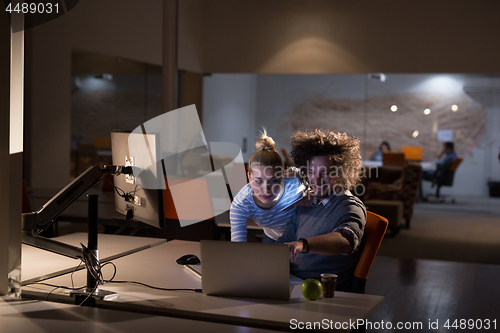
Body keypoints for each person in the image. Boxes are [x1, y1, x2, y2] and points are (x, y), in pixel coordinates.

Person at [277, 129, 366, 292]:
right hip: (289, 282)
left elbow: (346, 241)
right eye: (311, 171)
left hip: (322, 293)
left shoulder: (350, 206)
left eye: (324, 172)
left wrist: (302, 244)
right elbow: (283, 243)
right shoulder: (306, 204)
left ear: (341, 173)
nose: (315, 180)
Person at [230, 131, 306, 243]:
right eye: (258, 181)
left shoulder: (295, 181)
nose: (266, 189)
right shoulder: (242, 203)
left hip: (305, 236)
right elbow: (237, 245)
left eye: (274, 180)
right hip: (274, 237)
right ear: (249, 178)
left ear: (282, 176)